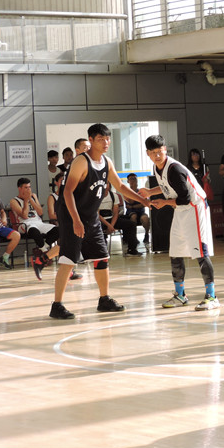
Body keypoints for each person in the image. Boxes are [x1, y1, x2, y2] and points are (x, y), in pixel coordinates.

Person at [49, 123, 150, 319]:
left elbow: (120, 186)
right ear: (91, 140)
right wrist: (76, 221)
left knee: (102, 258)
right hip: (71, 215)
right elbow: (67, 192)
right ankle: (57, 305)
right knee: (69, 260)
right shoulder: (81, 162)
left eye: (108, 139)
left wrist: (142, 199)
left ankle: (104, 299)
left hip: (90, 216)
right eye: (101, 139)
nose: (106, 142)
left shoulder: (107, 162)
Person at [141, 135, 218, 311]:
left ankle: (212, 296)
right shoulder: (157, 168)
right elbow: (168, 186)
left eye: (159, 151)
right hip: (181, 209)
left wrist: (164, 202)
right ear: (148, 154)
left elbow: (184, 198)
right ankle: (180, 295)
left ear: (165, 149)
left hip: (194, 208)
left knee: (200, 253)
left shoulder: (174, 168)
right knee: (175, 252)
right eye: (153, 153)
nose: (157, 155)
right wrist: (150, 192)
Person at [10, 178, 60, 279]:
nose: (28, 189)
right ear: (20, 188)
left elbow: (40, 212)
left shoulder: (33, 196)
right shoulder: (14, 201)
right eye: (26, 187)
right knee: (34, 230)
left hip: (38, 222)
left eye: (29, 187)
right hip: (24, 224)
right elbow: (24, 215)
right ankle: (45, 251)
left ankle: (42, 249)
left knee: (58, 230)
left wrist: (31, 200)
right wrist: (26, 201)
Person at [41, 172, 83, 281]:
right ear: (56, 183)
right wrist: (66, 214)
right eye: (61, 181)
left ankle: (44, 259)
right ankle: (43, 259)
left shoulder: (72, 194)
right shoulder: (53, 197)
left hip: (71, 223)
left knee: (67, 244)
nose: (63, 183)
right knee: (66, 243)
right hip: (59, 223)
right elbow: (51, 215)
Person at [97, 186, 141, 256]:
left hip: (112, 219)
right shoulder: (96, 196)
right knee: (97, 229)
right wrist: (109, 226)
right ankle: (101, 253)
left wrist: (112, 225)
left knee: (131, 224)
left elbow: (115, 213)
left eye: (107, 183)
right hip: (100, 220)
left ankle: (132, 250)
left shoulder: (114, 196)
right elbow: (97, 214)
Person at [124, 173, 151, 246]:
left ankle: (146, 235)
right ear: (128, 181)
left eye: (134, 179)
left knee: (145, 219)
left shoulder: (141, 191)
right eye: (131, 179)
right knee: (134, 216)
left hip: (141, 212)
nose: (133, 180)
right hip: (131, 213)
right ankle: (134, 237)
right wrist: (134, 191)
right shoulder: (126, 192)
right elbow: (130, 201)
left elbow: (144, 204)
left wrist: (133, 206)